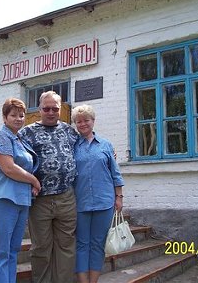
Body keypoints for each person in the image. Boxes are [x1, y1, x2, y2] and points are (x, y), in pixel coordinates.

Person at [19, 90, 79, 283]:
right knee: (41, 247)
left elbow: (85, 147)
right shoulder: (26, 132)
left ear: (60, 109)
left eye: (55, 108)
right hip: (40, 200)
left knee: (66, 245)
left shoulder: (69, 130)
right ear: (39, 109)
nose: (51, 112)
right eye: (47, 108)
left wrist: (108, 149)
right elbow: (9, 153)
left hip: (66, 197)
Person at [0, 98, 41, 283]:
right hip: (3, 198)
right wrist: (34, 181)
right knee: (1, 251)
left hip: (21, 200)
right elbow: (9, 168)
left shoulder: (20, 139)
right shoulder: (0, 137)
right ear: (4, 117)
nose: (18, 119)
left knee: (13, 250)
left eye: (21, 115)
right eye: (13, 115)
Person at [71, 104, 124, 283]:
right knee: (81, 243)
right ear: (75, 124)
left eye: (86, 120)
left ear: (93, 121)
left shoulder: (106, 145)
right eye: (79, 121)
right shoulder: (72, 146)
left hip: (104, 202)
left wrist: (119, 197)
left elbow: (115, 173)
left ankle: (93, 281)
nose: (83, 124)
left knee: (98, 244)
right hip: (80, 202)